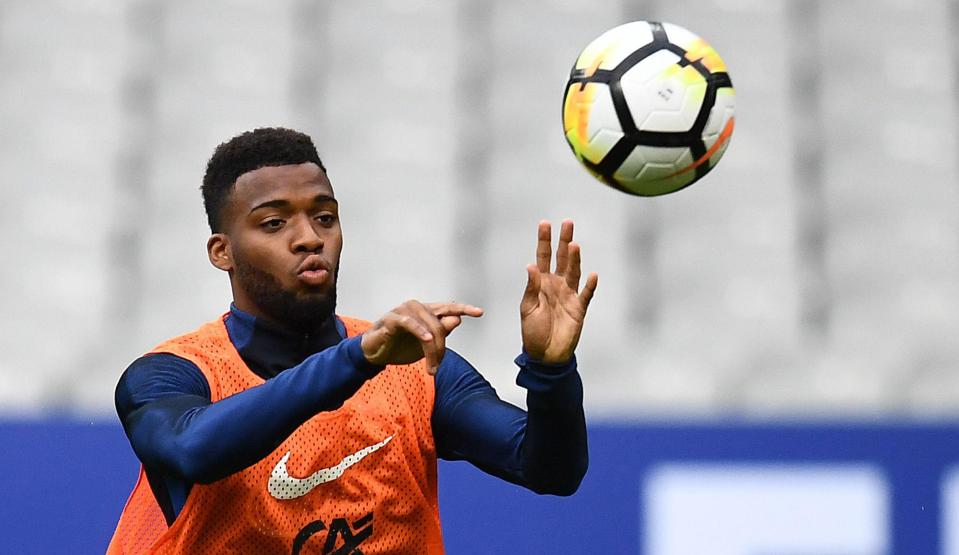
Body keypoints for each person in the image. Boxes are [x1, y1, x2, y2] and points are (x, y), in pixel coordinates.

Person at [107, 127, 599, 554]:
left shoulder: (416, 370)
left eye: (324, 217)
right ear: (222, 251)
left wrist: (551, 372)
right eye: (274, 223)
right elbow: (195, 451)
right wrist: (357, 358)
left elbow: (551, 470)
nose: (309, 237)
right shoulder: (170, 374)